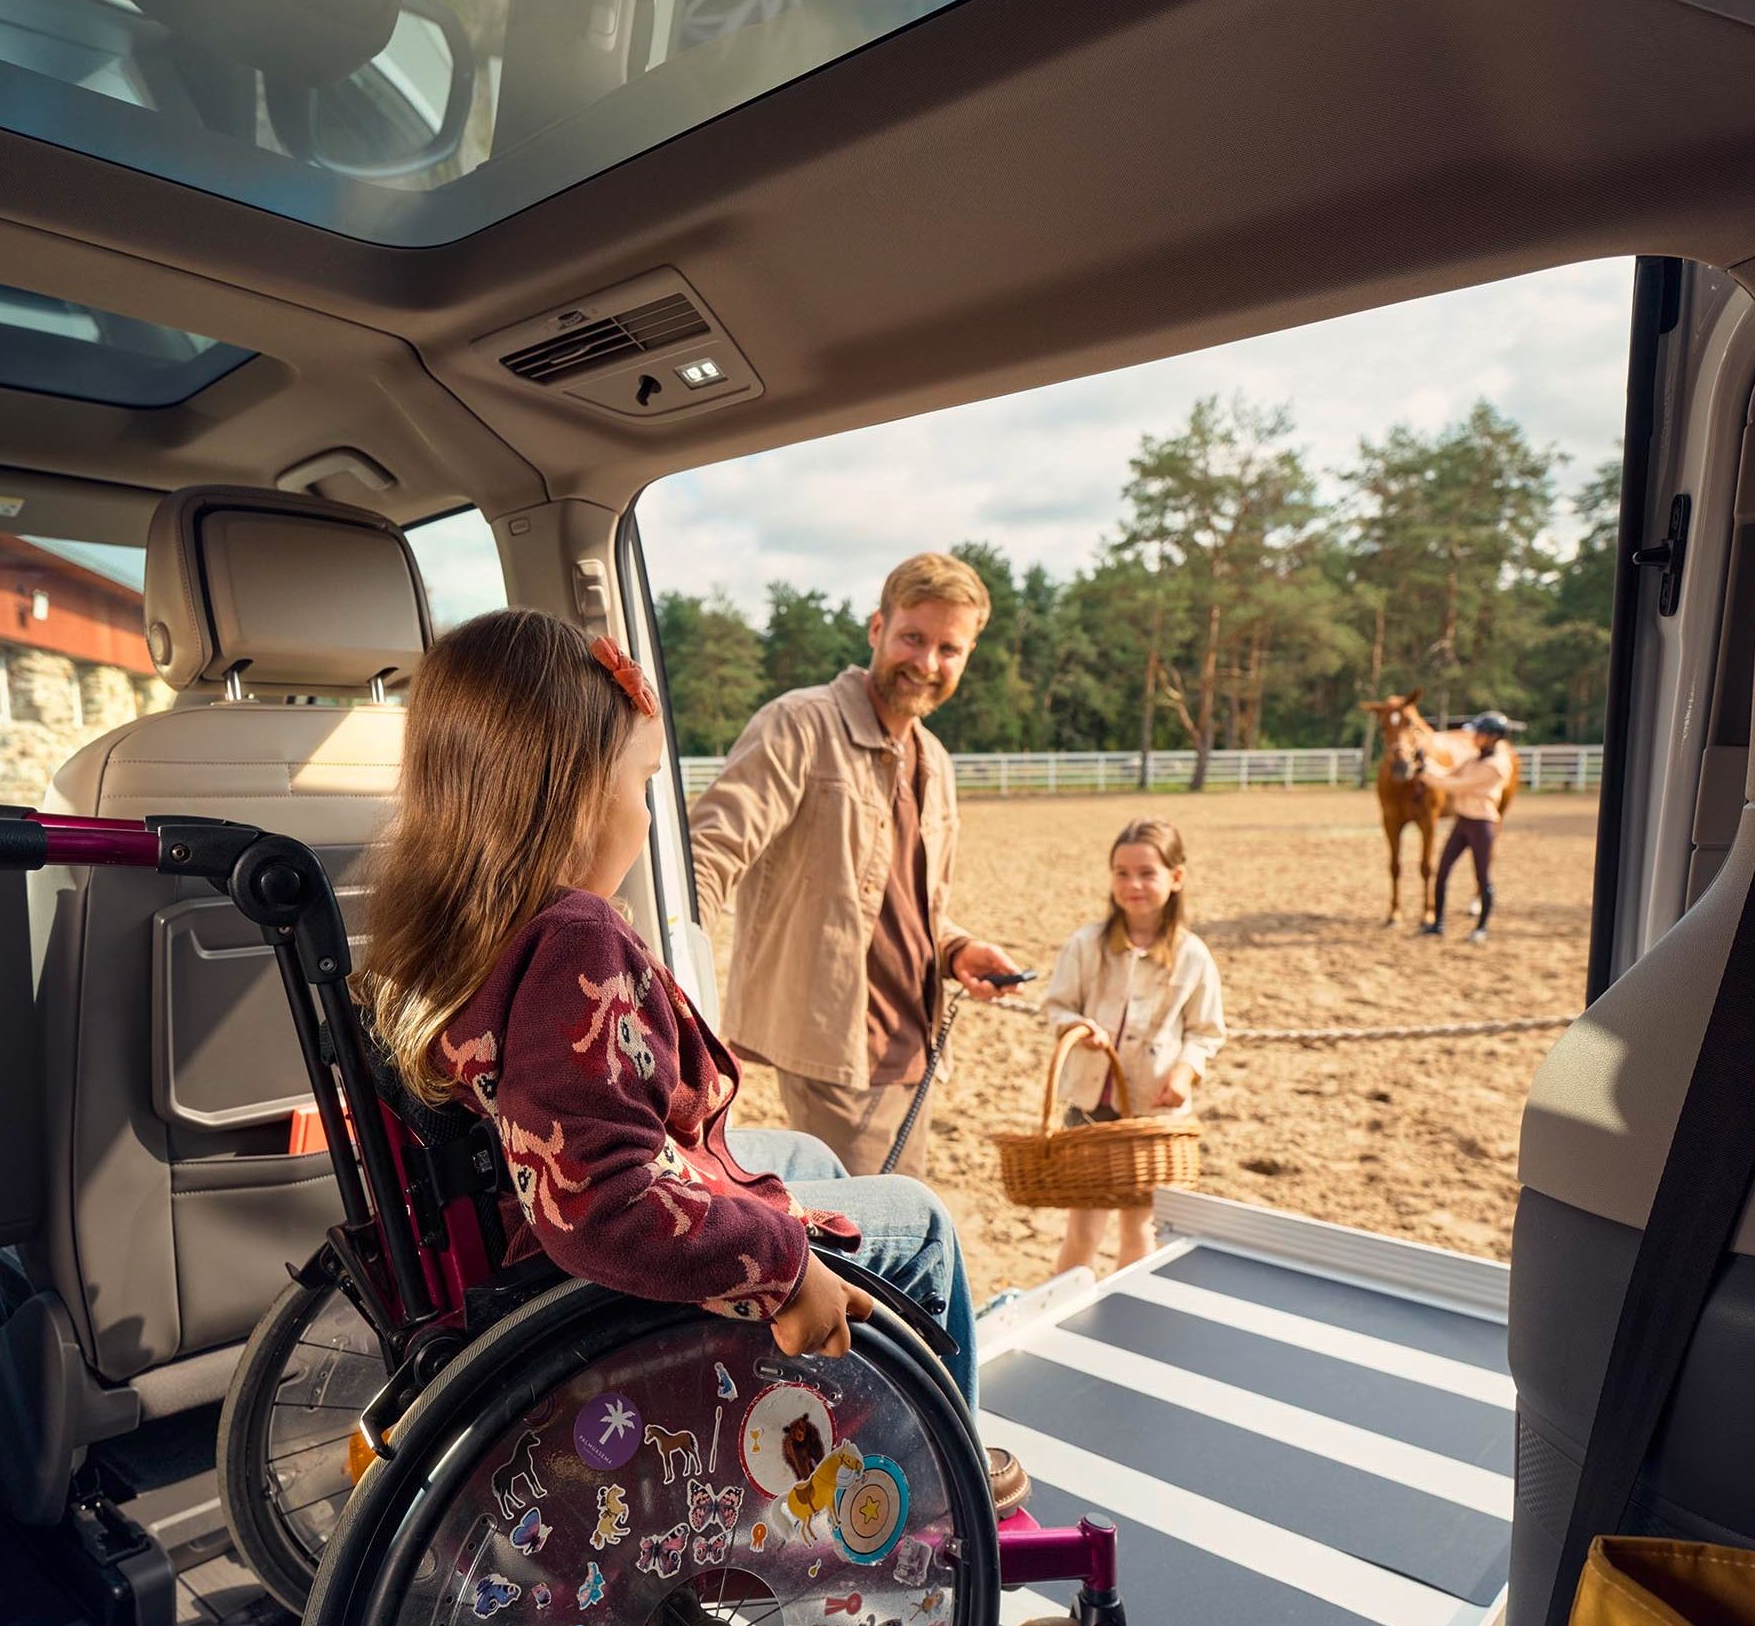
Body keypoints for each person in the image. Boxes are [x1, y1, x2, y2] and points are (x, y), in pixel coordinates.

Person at [360, 607, 1027, 1509]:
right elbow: (603, 1200)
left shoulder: (453, 914)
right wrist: (785, 1266)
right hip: (594, 1278)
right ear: (571, 793)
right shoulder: (574, 940)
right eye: (640, 786)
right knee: (922, 1224)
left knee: (810, 1159)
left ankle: (856, 1409)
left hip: (523, 1217)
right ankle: (940, 1480)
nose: (645, 811)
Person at [687, 551, 1025, 1180]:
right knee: (873, 1248)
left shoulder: (936, 762)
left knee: (898, 1226)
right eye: (912, 638)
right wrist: (669, 983)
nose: (927, 663)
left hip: (916, 1047)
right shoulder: (798, 725)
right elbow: (706, 856)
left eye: (949, 649)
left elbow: (910, 911)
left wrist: (956, 952)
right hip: (835, 1048)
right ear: (877, 629)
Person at [1041, 819, 1227, 1279]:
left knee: (1139, 1229)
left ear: (1176, 878)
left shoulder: (1193, 955)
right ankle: (1062, 1311)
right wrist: (1078, 1026)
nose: (1133, 884)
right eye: (1121, 873)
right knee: (1082, 1230)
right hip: (1090, 1109)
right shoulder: (1086, 945)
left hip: (1152, 1114)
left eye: (1147, 873)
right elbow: (1056, 1006)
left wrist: (1185, 1073)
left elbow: (1206, 1031)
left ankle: (1125, 1320)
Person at [1426, 710, 1518, 943]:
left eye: (1478, 733)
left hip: (1481, 825)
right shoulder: (1474, 759)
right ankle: (1437, 923)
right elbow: (1446, 772)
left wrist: (1423, 775)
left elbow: (1455, 785)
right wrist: (1424, 763)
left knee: (1482, 877)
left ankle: (1481, 928)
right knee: (1442, 871)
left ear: (1492, 736)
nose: (1474, 736)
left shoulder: (1495, 766)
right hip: (1463, 822)